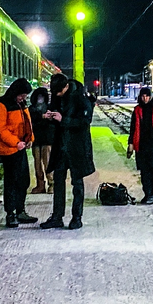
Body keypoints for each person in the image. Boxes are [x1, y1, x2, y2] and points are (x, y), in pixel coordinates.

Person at [40, 73, 95, 231]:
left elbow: (85, 122)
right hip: (61, 146)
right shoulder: (58, 96)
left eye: (59, 92)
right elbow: (55, 114)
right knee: (58, 181)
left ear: (66, 86)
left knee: (77, 182)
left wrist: (63, 120)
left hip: (77, 147)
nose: (56, 95)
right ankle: (57, 216)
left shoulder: (81, 98)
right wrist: (50, 117)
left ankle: (77, 217)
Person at [0, 78, 37, 228]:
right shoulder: (1, 105)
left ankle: (20, 210)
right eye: (21, 95)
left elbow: (27, 123)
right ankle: (10, 214)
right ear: (15, 92)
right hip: (9, 150)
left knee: (23, 180)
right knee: (11, 182)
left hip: (20, 148)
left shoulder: (20, 104)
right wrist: (15, 142)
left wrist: (30, 138)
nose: (23, 98)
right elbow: (0, 129)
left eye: (25, 96)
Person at [127, 87, 153, 204]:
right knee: (144, 171)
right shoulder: (137, 110)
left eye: (147, 96)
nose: (145, 98)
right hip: (141, 145)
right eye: (143, 96)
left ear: (151, 96)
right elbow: (133, 128)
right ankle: (148, 193)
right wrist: (130, 144)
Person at [29, 86, 55, 194]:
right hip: (37, 139)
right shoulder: (32, 109)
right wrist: (42, 117)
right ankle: (40, 184)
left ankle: (51, 184)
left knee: (47, 162)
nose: (40, 99)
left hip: (46, 139)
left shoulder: (50, 108)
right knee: (37, 164)